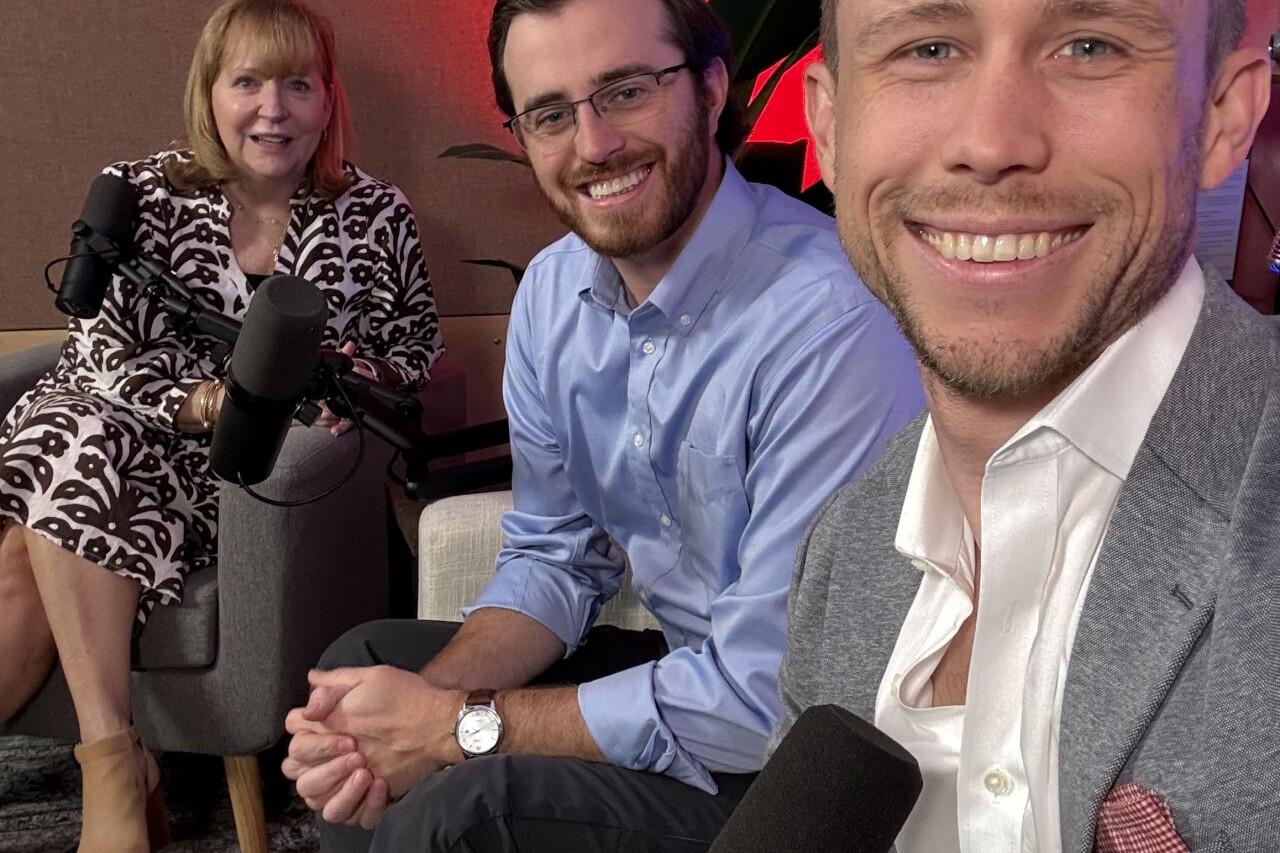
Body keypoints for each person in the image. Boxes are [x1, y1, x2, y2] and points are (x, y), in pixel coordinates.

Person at [280, 0, 923, 849]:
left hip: (817, 755)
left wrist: (453, 729)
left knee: (464, 810)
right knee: (370, 666)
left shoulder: (830, 324)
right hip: (695, 675)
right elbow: (552, 555)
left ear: (711, 85)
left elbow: (769, 693)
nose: (593, 145)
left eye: (625, 90)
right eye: (551, 113)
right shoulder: (552, 297)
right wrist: (409, 719)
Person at [771, 0, 1275, 850]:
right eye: (928, 48)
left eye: (1089, 46)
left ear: (1222, 115)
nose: (993, 140)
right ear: (830, 123)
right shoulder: (846, 545)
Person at [0, 1, 441, 850]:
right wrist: (207, 401)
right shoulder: (139, 195)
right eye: (247, 83)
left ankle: (122, 773)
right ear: (211, 93)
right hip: (122, 441)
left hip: (249, 482)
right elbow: (101, 360)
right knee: (73, 437)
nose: (272, 110)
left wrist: (348, 378)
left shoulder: (377, 214)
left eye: (297, 85)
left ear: (327, 99)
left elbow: (417, 352)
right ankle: (115, 757)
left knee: (29, 539)